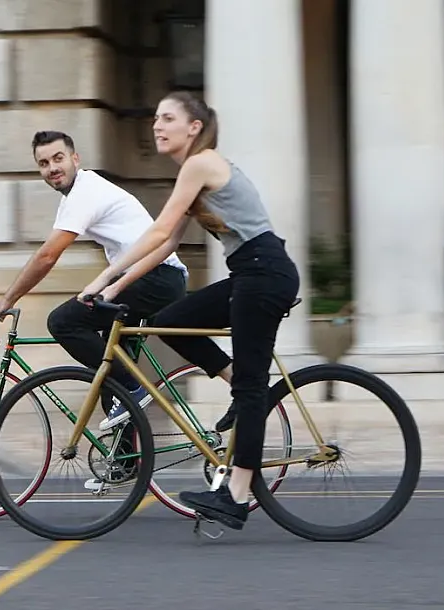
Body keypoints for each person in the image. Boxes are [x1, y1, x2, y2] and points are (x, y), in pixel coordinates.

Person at [78, 91, 300, 530]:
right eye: (155, 118)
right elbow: (167, 244)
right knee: (169, 323)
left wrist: (101, 279)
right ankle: (237, 383)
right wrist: (118, 284)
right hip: (250, 274)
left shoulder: (201, 163)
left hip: (264, 273)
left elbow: (157, 229)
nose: (156, 125)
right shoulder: (193, 173)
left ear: (193, 127)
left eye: (167, 118)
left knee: (254, 390)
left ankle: (236, 496)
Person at [0, 131, 188, 409]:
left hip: (155, 278)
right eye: (44, 163)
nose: (52, 168)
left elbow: (48, 256)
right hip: (148, 279)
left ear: (75, 159)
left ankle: (134, 391)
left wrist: (7, 300)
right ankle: (125, 442)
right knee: (111, 385)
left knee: (63, 322)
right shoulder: (77, 195)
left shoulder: (84, 192)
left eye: (58, 158)